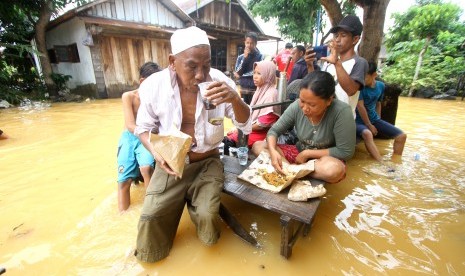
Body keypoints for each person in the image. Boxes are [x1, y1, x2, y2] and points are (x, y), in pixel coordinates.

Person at [134, 26, 251, 263]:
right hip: (172, 162)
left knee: (208, 218)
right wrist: (157, 153)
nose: (200, 74)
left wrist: (235, 98)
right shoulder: (154, 86)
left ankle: (196, 208)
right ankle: (180, 205)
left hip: (207, 160)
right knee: (150, 218)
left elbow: (246, 124)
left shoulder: (220, 82)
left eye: (206, 65)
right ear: (172, 61)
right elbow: (143, 129)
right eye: (192, 66)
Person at [252, 71, 356, 184]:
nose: (305, 108)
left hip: (324, 160)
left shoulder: (341, 111)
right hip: (298, 154)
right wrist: (273, 151)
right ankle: (291, 171)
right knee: (258, 146)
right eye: (302, 101)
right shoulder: (297, 106)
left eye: (312, 105)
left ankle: (288, 170)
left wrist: (308, 153)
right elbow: (274, 131)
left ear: (329, 101)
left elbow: (345, 151)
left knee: (333, 171)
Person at [116, 62, 161, 212]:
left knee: (147, 168)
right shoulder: (128, 96)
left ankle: (149, 211)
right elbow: (130, 125)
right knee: (124, 180)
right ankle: (122, 215)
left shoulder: (156, 99)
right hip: (130, 138)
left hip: (146, 136)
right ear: (142, 81)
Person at [306, 15, 368, 119]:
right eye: (336, 36)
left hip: (343, 121)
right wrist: (309, 65)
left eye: (343, 35)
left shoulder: (359, 62)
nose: (337, 40)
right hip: (324, 119)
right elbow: (316, 86)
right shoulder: (329, 62)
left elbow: (351, 90)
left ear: (355, 39)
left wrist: (337, 63)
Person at [224, 60, 280, 154]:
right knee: (229, 137)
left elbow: (262, 125)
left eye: (259, 73)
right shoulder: (260, 90)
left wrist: (242, 128)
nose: (255, 76)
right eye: (254, 73)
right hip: (253, 130)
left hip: (262, 134)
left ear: (268, 74)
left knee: (229, 141)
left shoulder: (271, 93)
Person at [356, 62, 407, 161]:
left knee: (401, 136)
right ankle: (382, 163)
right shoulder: (359, 87)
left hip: (373, 119)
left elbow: (378, 103)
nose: (362, 80)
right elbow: (360, 106)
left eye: (365, 77)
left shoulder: (381, 86)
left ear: (374, 75)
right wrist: (369, 125)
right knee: (368, 134)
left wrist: (378, 120)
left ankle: (396, 161)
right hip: (358, 121)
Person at [233, 31, 264, 104]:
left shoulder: (260, 57)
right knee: (245, 109)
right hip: (244, 88)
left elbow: (261, 73)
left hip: (256, 87)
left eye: (252, 43)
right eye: (247, 43)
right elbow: (237, 74)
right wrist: (245, 58)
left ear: (255, 44)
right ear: (245, 42)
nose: (249, 45)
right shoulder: (241, 57)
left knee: (255, 108)